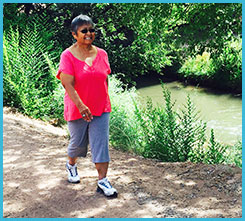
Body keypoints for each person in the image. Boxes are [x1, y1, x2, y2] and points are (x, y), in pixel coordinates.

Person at [56, 14, 117, 198]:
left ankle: (102, 180)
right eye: (84, 30)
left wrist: (103, 100)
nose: (89, 33)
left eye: (91, 30)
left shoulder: (102, 54)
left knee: (101, 144)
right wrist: (82, 106)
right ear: (74, 34)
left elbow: (104, 80)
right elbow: (67, 84)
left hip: (100, 108)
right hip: (77, 108)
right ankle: (71, 164)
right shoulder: (67, 55)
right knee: (78, 144)